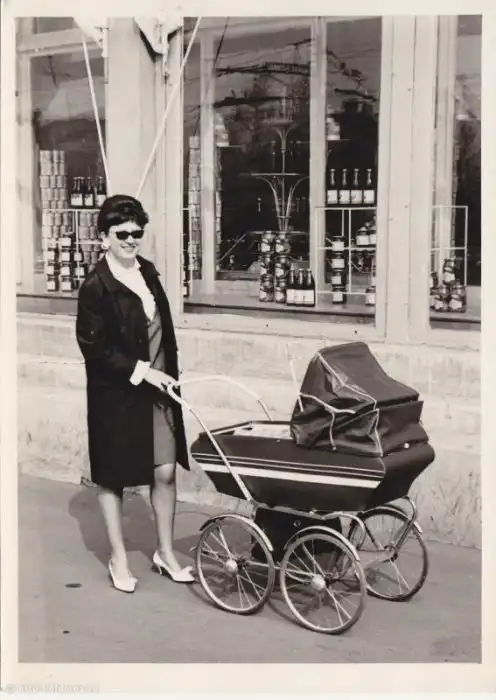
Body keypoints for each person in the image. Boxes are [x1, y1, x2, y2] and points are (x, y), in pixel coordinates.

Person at [76, 194, 195, 593]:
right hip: (116, 393)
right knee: (113, 477)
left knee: (165, 471)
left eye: (137, 233)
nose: (130, 240)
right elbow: (94, 348)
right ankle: (118, 558)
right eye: (122, 233)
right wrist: (142, 371)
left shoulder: (148, 272)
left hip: (159, 388)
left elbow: (161, 331)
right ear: (104, 237)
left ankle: (165, 552)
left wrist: (167, 372)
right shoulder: (96, 286)